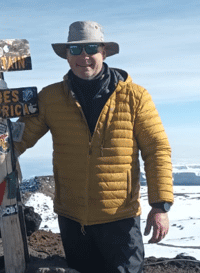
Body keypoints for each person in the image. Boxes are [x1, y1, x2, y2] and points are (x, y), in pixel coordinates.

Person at [13, 21, 173, 273]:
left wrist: (160, 205)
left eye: (90, 48)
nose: (83, 57)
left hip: (120, 219)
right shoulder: (50, 98)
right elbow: (16, 141)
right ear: (66, 56)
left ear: (104, 52)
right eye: (75, 50)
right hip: (73, 220)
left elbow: (157, 150)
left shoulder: (135, 97)